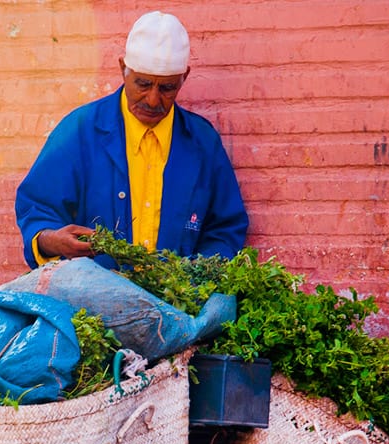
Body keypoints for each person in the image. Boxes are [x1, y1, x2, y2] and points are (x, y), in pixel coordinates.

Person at [15, 10, 248, 269]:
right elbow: (37, 207)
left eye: (167, 88)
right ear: (123, 69)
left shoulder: (203, 142)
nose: (152, 99)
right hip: (91, 300)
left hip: (175, 302)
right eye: (143, 84)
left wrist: (196, 276)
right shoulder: (81, 131)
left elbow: (225, 228)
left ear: (185, 78)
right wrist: (50, 240)